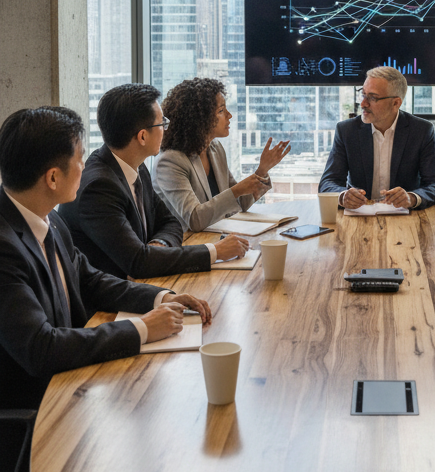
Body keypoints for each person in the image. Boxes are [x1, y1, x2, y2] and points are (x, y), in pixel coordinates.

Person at [0, 106, 211, 413]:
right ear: (53, 178)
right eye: (79, 158)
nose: (85, 166)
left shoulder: (50, 220)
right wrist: (141, 329)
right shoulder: (5, 247)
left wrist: (161, 298)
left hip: (75, 381)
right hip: (38, 410)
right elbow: (41, 349)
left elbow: (90, 279)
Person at [58, 84, 251, 278]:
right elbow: (139, 263)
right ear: (142, 136)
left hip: (141, 284)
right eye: (162, 124)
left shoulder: (136, 166)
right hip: (105, 302)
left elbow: (170, 223)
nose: (166, 129)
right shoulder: (99, 188)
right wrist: (214, 252)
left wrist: (160, 245)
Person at [153, 78, 290, 231]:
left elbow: (240, 203)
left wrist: (262, 170)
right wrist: (236, 190)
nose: (229, 115)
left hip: (218, 240)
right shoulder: (170, 162)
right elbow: (195, 220)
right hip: (188, 246)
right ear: (201, 119)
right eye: (221, 111)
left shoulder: (215, 149)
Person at [319, 67, 435, 209]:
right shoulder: (346, 131)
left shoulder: (421, 131)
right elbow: (327, 182)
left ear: (395, 103)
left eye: (373, 98)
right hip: (359, 215)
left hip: (405, 219)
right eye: (363, 95)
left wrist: (411, 198)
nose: (363, 104)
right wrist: (343, 196)